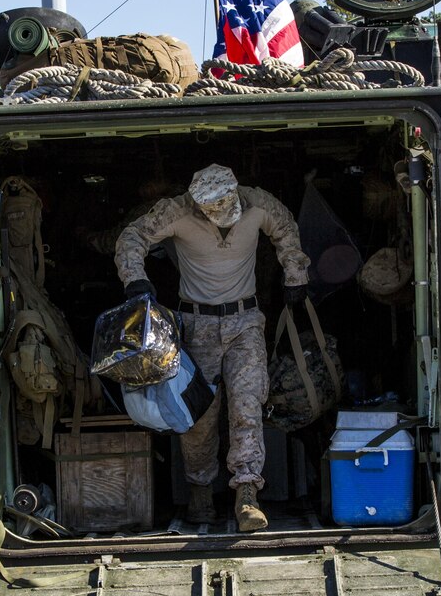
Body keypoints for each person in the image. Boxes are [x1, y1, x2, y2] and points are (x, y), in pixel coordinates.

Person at [114, 163, 310, 532]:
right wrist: (135, 278)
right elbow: (132, 237)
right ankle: (200, 490)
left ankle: (247, 494)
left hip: (245, 320)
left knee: (247, 403)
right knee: (199, 414)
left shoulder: (256, 204)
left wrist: (295, 273)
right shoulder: (177, 210)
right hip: (197, 324)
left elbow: (285, 229)